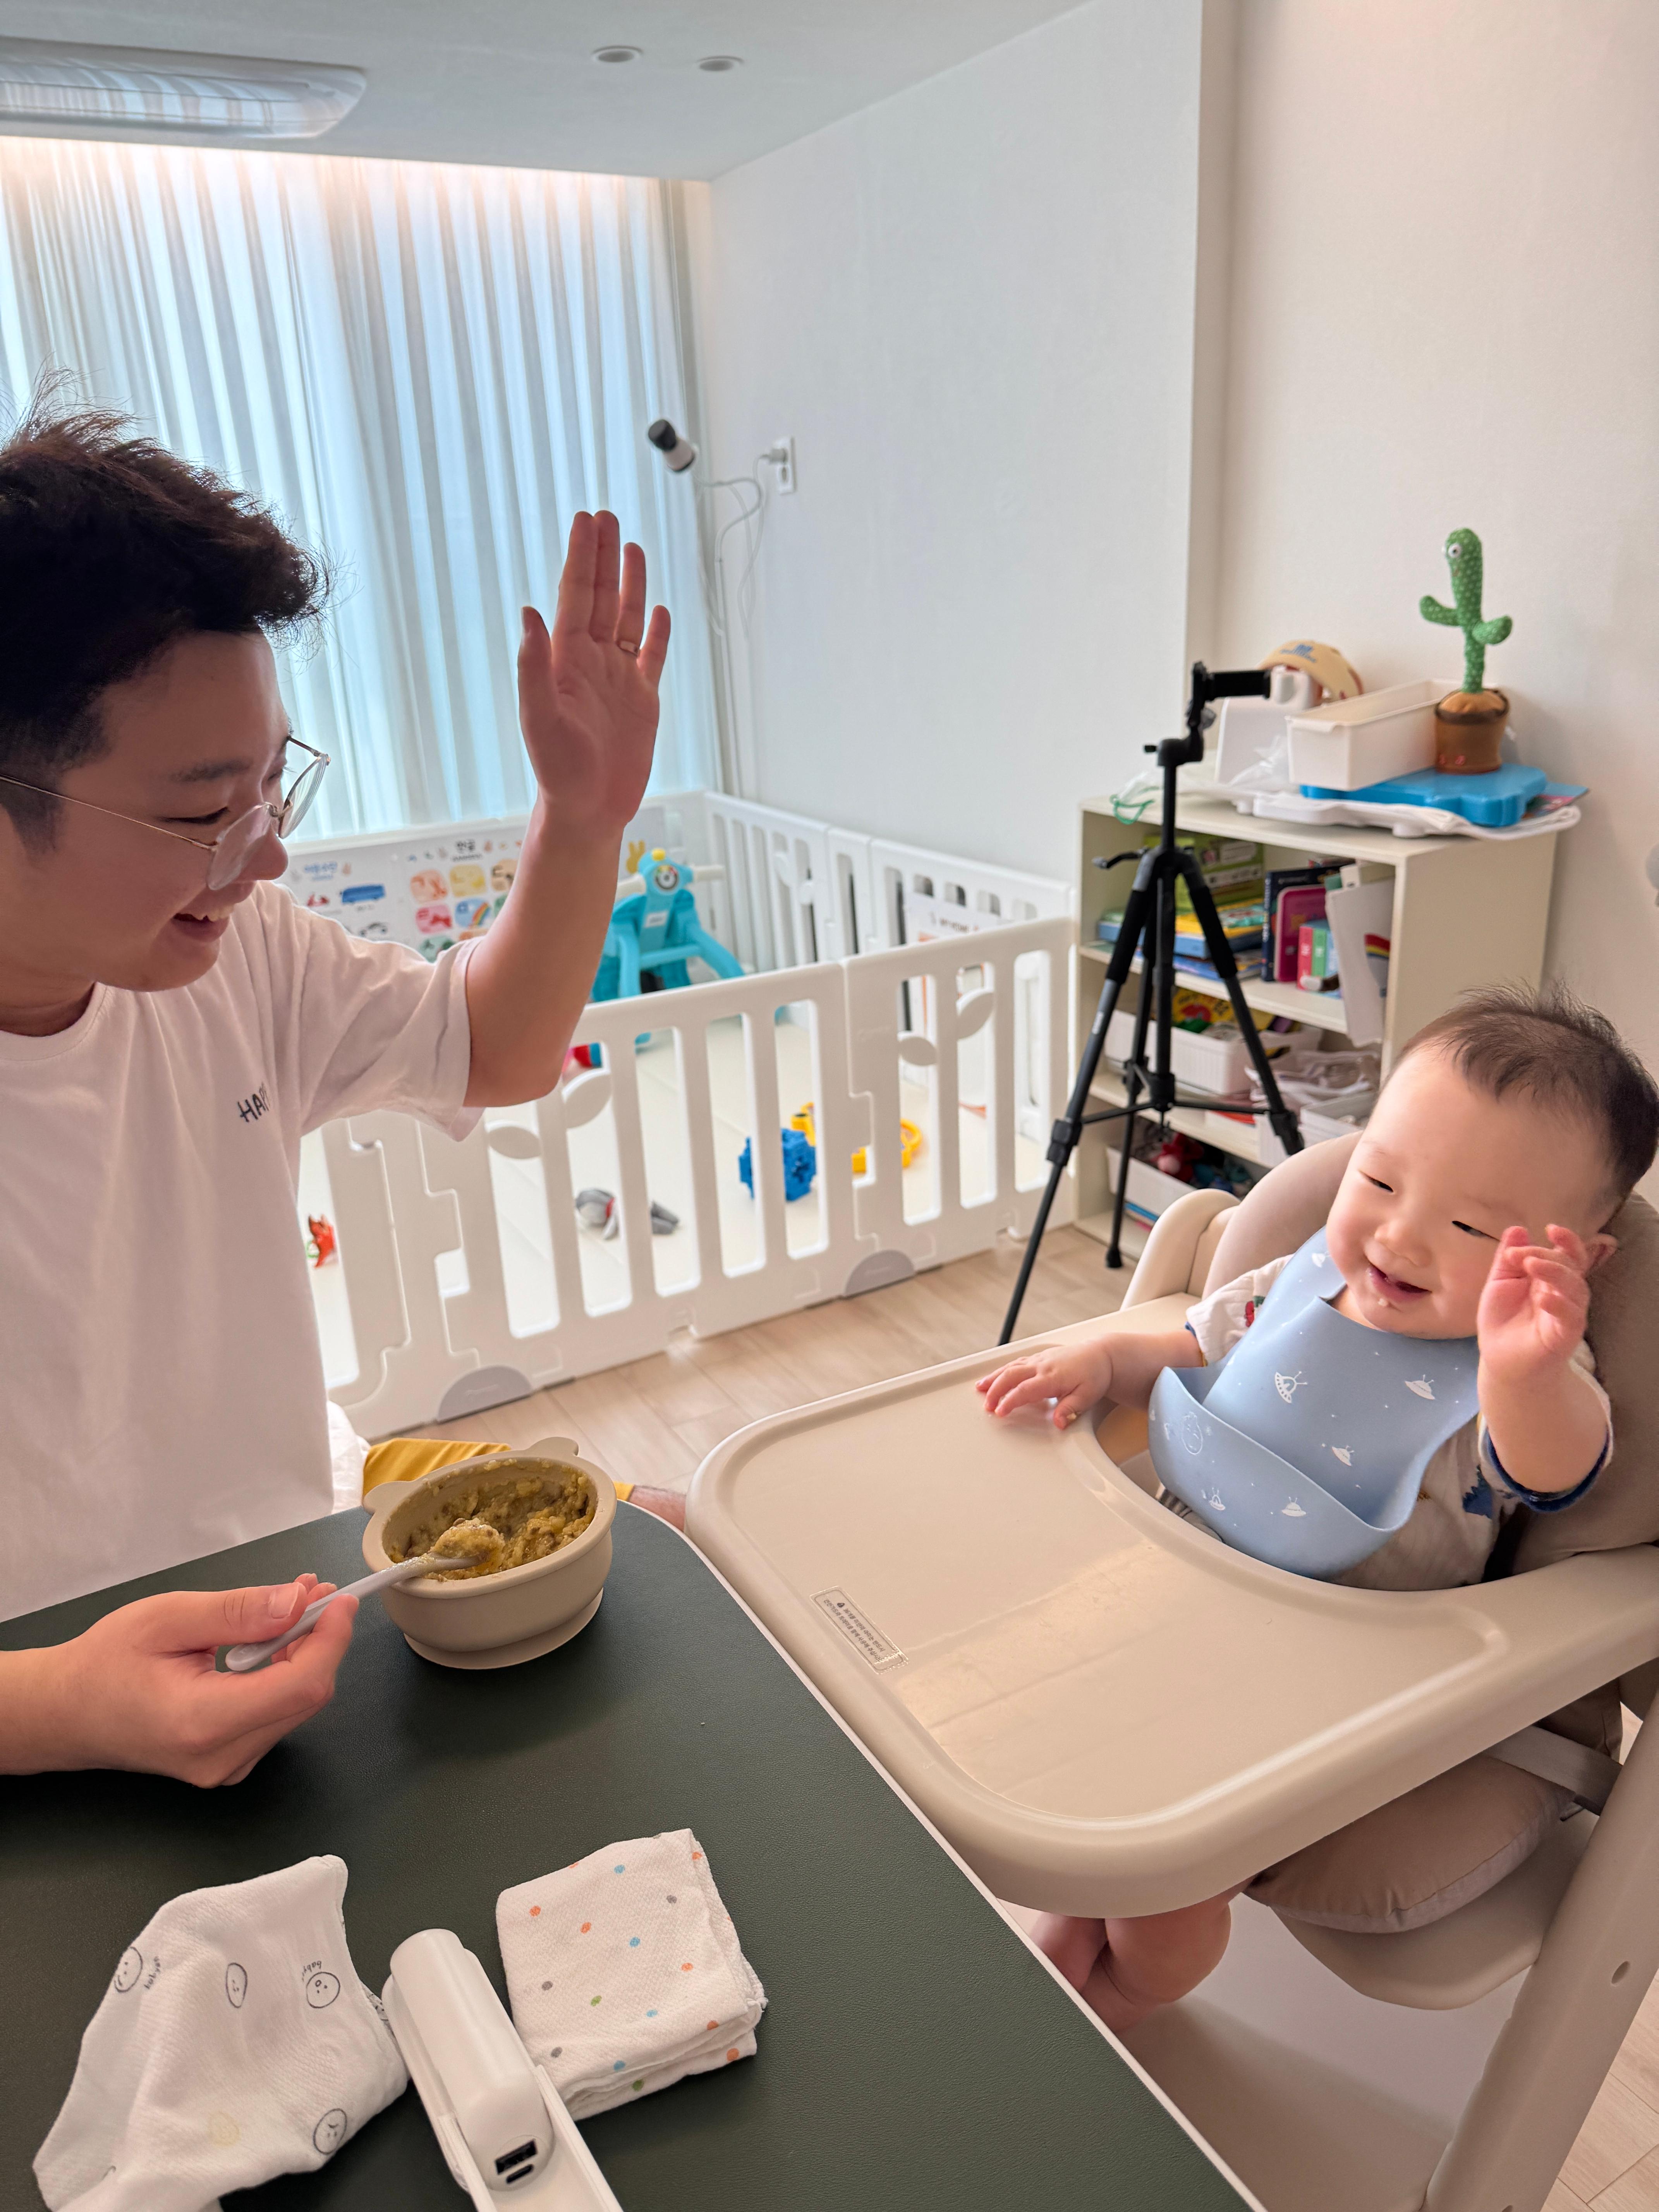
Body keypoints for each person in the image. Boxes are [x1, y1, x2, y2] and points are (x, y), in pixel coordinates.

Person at [0, 402, 682, 1784]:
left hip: (289, 1604)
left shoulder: (234, 951)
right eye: (202, 812)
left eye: (274, 787)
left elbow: (493, 1048)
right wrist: (60, 1705)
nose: (262, 860)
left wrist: (582, 819)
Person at [977, 987, 1659, 2029]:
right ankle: (1071, 1941)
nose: (1401, 1237)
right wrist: (1106, 1358)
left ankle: (1121, 2003)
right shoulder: (1296, 1284)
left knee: (1169, 1881)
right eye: (1377, 1180)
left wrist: (1525, 1371)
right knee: (1061, 1763)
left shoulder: (1524, 1373)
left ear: (1578, 1262)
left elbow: (1557, 1469)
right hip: (1182, 1597)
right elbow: (1195, 1347)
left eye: (1471, 1225)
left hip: (1339, 1683)